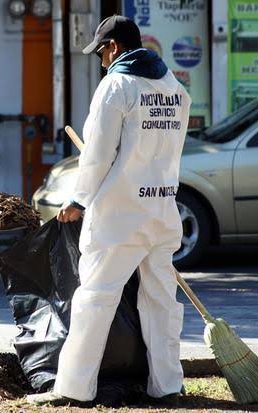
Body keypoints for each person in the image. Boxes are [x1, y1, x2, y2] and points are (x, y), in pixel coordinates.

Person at [27, 15, 191, 406]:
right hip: (163, 210)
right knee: (162, 303)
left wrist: (78, 199)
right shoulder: (175, 88)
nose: (100, 61)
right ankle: (168, 387)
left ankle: (73, 389)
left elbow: (98, 155)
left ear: (113, 47)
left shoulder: (116, 86)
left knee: (95, 300)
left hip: (120, 217)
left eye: (101, 52)